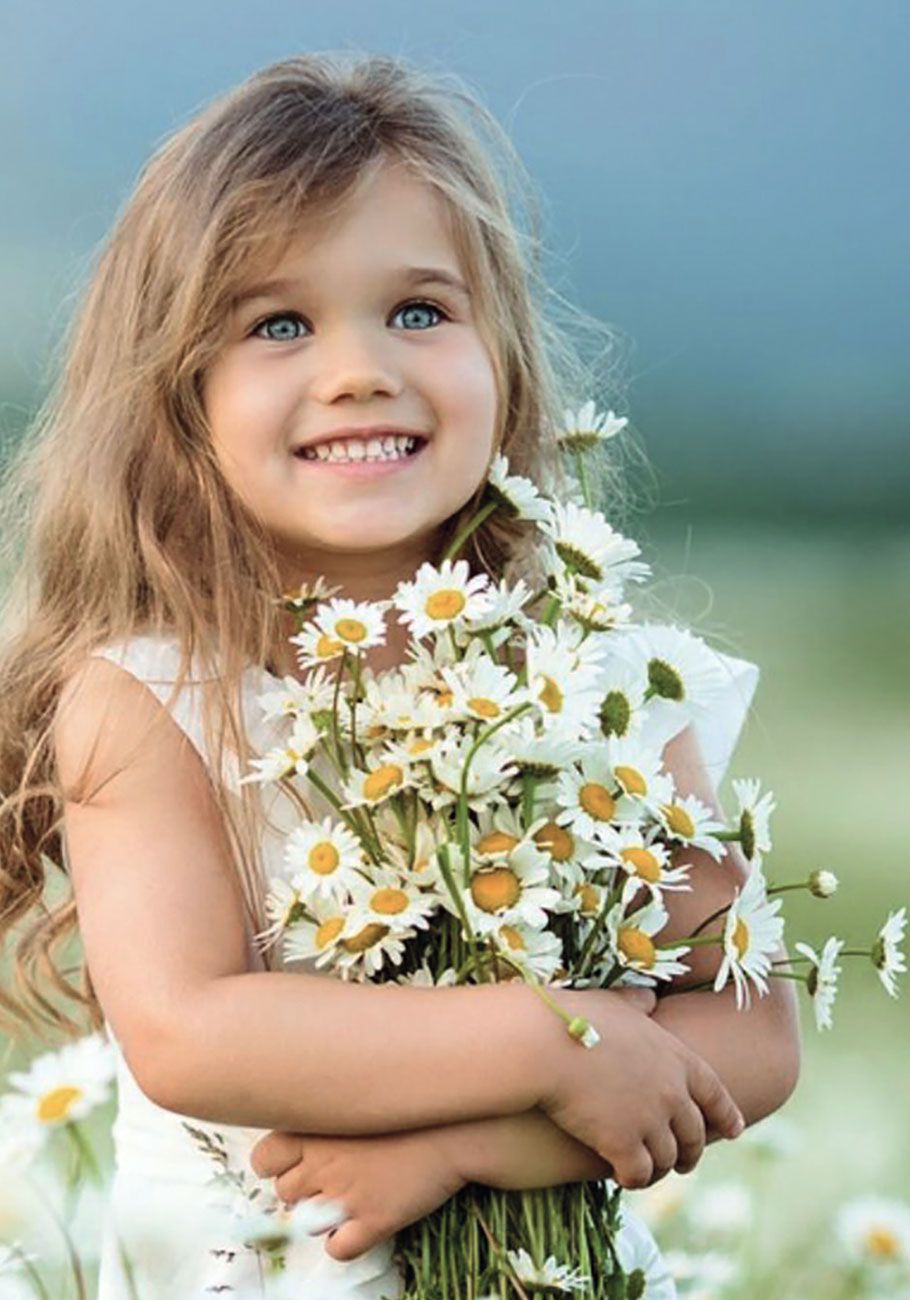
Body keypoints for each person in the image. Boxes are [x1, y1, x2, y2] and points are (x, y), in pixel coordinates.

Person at [0, 52, 799, 1297]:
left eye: (419, 311)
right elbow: (190, 1029)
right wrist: (555, 1035)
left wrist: (466, 1146)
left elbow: (747, 1026)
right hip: (260, 1268)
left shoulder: (598, 680)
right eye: (278, 325)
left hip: (549, 1268)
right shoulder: (152, 695)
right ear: (176, 394)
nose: (361, 367)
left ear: (505, 360)